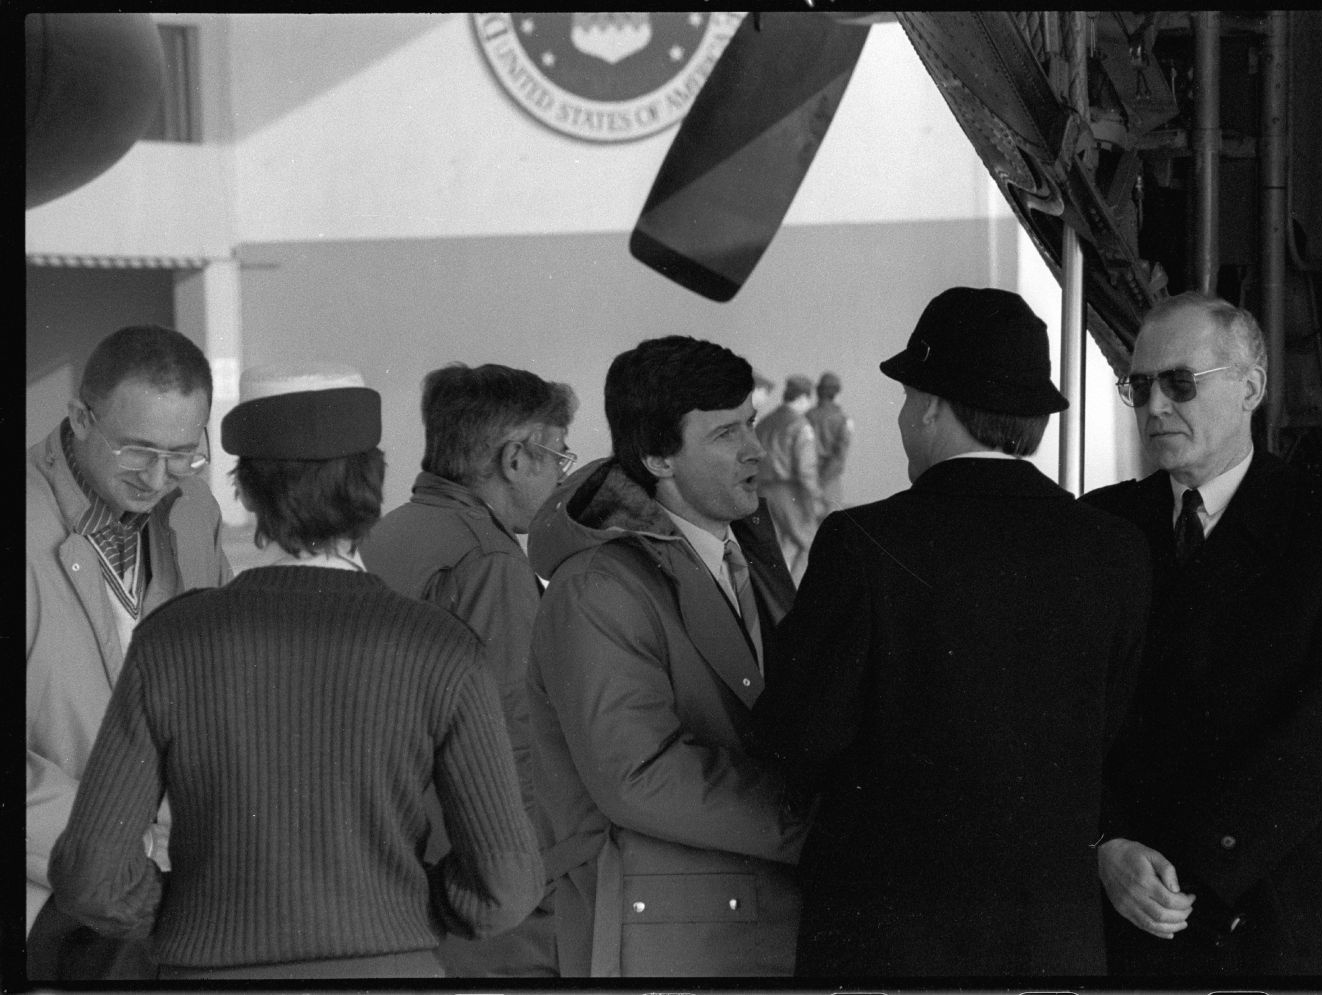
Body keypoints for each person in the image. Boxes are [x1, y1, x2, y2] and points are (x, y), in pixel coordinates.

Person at [47, 362, 544, 980]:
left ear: (247, 490)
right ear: (375, 481)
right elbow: (507, 882)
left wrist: (184, 915)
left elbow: (91, 875)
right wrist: (407, 911)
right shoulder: (440, 648)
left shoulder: (171, 643)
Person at [751, 287, 1152, 976]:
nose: (905, 417)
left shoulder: (864, 542)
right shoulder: (1114, 547)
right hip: (1053, 939)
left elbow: (798, 733)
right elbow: (1112, 725)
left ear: (933, 408)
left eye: (908, 400)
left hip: (888, 940)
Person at [1082, 291, 1322, 975]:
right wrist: (1105, 841)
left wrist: (1198, 866)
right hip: (1125, 902)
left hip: (1269, 911)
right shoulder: (1101, 527)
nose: (1154, 405)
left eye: (1179, 382)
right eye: (1139, 385)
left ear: (1250, 388)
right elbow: (1063, 710)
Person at [526, 335, 804, 977]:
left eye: (752, 425)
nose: (755, 450)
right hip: (668, 944)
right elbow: (638, 774)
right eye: (725, 434)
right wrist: (811, 820)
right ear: (657, 456)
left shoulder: (747, 558)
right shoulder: (598, 588)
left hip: (739, 923)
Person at [26, 324, 233, 981]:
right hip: (56, 885)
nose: (158, 477)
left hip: (180, 870)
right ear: (80, 417)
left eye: (182, 453)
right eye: (138, 450)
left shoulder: (193, 511)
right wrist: (109, 851)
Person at [362, 362, 577, 977]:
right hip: (468, 889)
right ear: (516, 459)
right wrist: (531, 879)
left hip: (390, 857)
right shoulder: (488, 561)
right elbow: (512, 739)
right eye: (558, 457)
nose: (562, 476)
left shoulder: (389, 532)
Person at [754, 373, 821, 583]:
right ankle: (794, 594)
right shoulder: (800, 425)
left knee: (776, 548)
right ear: (803, 398)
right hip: (788, 492)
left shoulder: (764, 422)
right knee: (811, 544)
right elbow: (806, 469)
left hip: (760, 491)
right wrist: (815, 498)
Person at [804, 371, 853, 520]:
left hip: (808, 477)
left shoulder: (806, 416)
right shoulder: (842, 419)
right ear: (836, 393)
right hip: (830, 479)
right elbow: (840, 455)